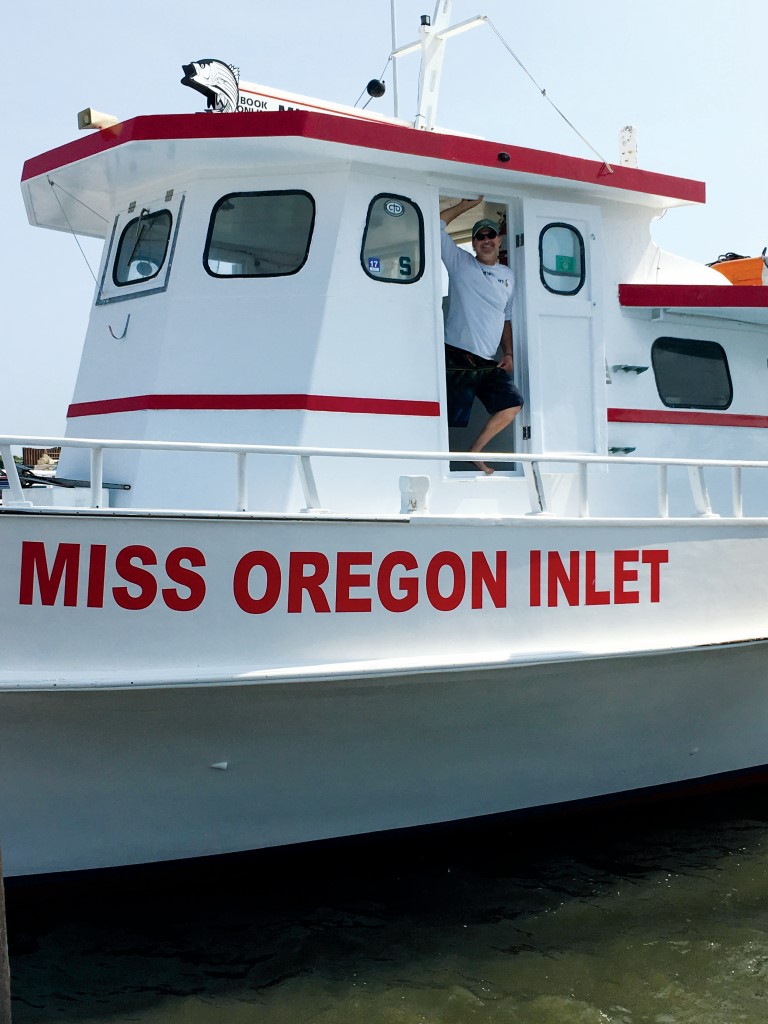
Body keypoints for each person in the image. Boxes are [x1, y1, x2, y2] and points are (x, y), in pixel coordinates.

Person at [440, 197, 523, 474]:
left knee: (512, 405)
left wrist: (508, 352)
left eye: (490, 235)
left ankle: (474, 451)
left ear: (499, 241)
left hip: (487, 361)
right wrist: (465, 204)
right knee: (446, 418)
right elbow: (436, 224)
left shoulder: (508, 276)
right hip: (457, 355)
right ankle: (433, 468)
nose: (486, 240)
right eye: (479, 237)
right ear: (473, 244)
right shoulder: (460, 264)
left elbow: (506, 317)